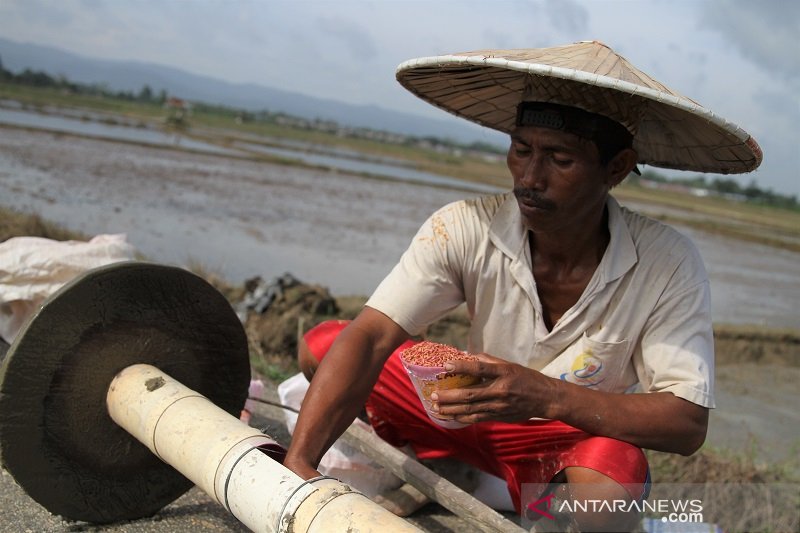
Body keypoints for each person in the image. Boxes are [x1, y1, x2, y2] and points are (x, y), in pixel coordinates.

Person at [284, 41, 762, 531]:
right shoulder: (466, 225)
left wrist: (543, 396)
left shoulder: (667, 264)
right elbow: (370, 336)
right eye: (521, 149)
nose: (530, 177)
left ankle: (541, 507)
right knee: (325, 345)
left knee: (608, 490)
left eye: (559, 158)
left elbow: (686, 423)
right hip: (460, 404)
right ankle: (447, 463)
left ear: (616, 168)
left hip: (558, 436)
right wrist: (297, 468)